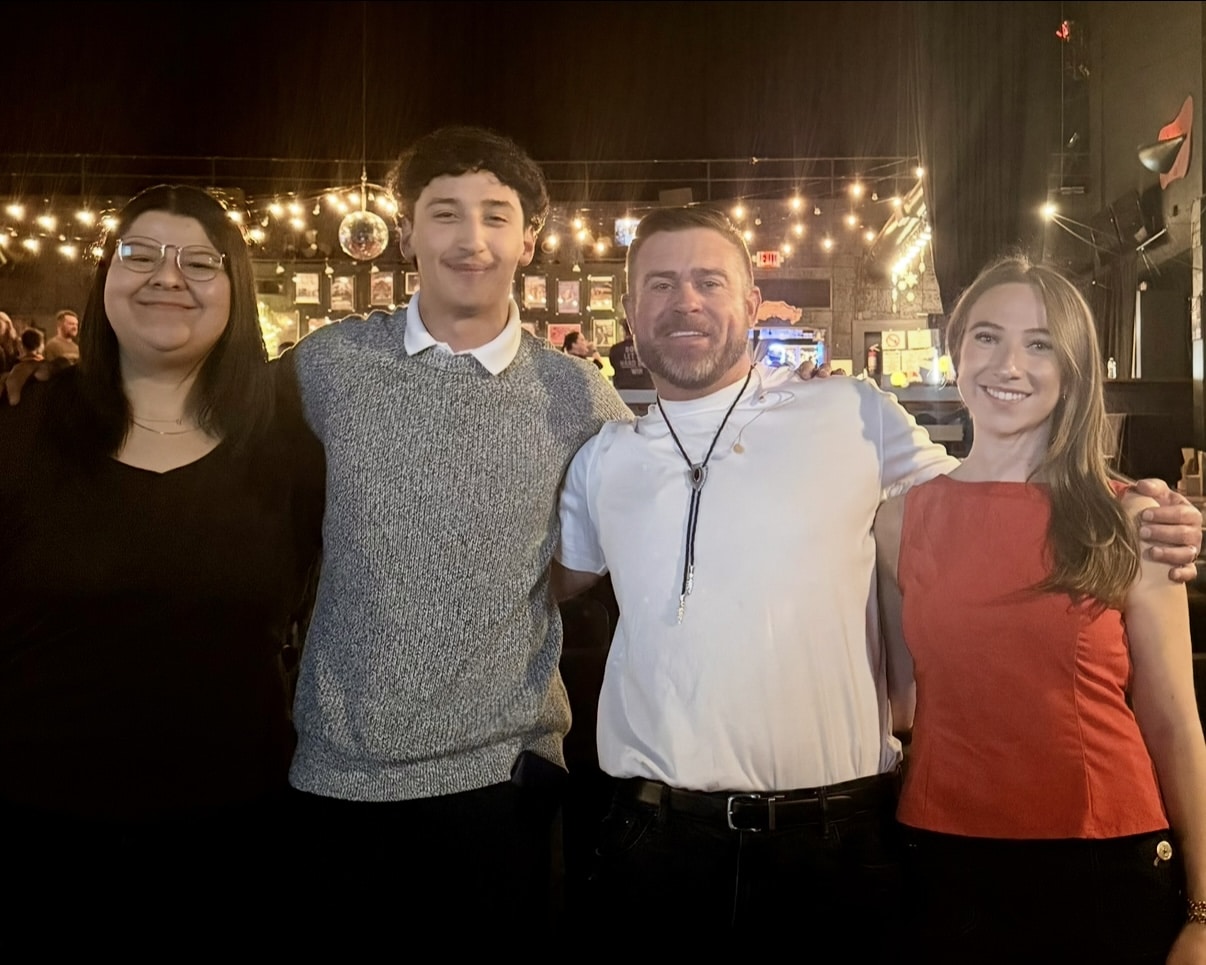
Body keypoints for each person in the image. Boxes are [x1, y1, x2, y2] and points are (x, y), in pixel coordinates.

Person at [552, 207, 1202, 942]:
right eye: (660, 284)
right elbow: (547, 584)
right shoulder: (602, 459)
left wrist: (1142, 508)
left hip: (839, 841)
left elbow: (989, 500)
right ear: (629, 308)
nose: (686, 302)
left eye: (709, 280)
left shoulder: (850, 410)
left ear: (752, 303)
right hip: (653, 838)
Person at [284, 125, 631, 922]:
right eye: (444, 213)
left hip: (504, 778)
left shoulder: (579, 395)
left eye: (496, 215)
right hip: (337, 769)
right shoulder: (328, 367)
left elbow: (626, 537)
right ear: (406, 233)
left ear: (530, 240)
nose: (471, 240)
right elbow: (209, 424)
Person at [874, 255, 1206, 965]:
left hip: (1105, 857)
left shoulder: (1133, 517)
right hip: (942, 856)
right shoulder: (900, 521)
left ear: (1073, 368)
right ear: (956, 351)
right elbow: (902, 703)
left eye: (1040, 344)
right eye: (987, 337)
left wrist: (1205, 911)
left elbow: (1176, 722)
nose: (1010, 364)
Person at [0, 185, 325, 903]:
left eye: (199, 262)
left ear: (236, 290)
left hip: (236, 837)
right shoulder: (22, 426)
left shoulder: (291, 449)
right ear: (104, 280)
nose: (167, 275)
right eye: (138, 254)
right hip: (35, 831)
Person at [607, 318, 654, 391]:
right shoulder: (649, 349)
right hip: (647, 394)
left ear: (624, 331)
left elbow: (614, 365)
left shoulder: (615, 350)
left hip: (622, 394)